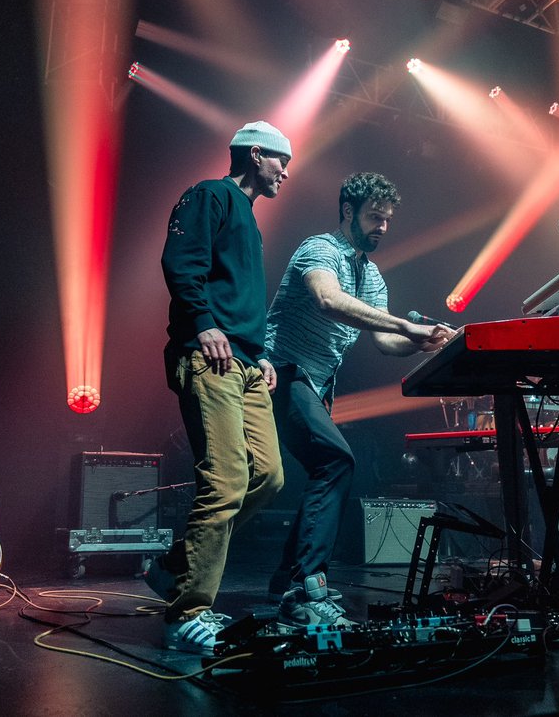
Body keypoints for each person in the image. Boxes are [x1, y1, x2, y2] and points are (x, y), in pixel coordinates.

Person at [263, 171, 453, 629]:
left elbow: (386, 342)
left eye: (387, 220)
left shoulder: (368, 273)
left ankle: (286, 584)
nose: (382, 228)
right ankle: (307, 586)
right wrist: (407, 326)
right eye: (374, 217)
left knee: (322, 468)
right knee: (335, 462)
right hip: (278, 374)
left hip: (313, 385)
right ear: (348, 212)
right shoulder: (320, 250)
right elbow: (327, 301)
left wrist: (423, 342)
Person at [150, 121, 292, 655]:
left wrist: (262, 357)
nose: (286, 172)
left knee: (271, 478)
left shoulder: (250, 221)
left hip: (247, 363)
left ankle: (173, 566)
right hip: (209, 355)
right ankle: (188, 611)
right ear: (256, 154)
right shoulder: (209, 195)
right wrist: (204, 323)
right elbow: (180, 264)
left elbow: (242, 298)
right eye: (281, 159)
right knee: (227, 478)